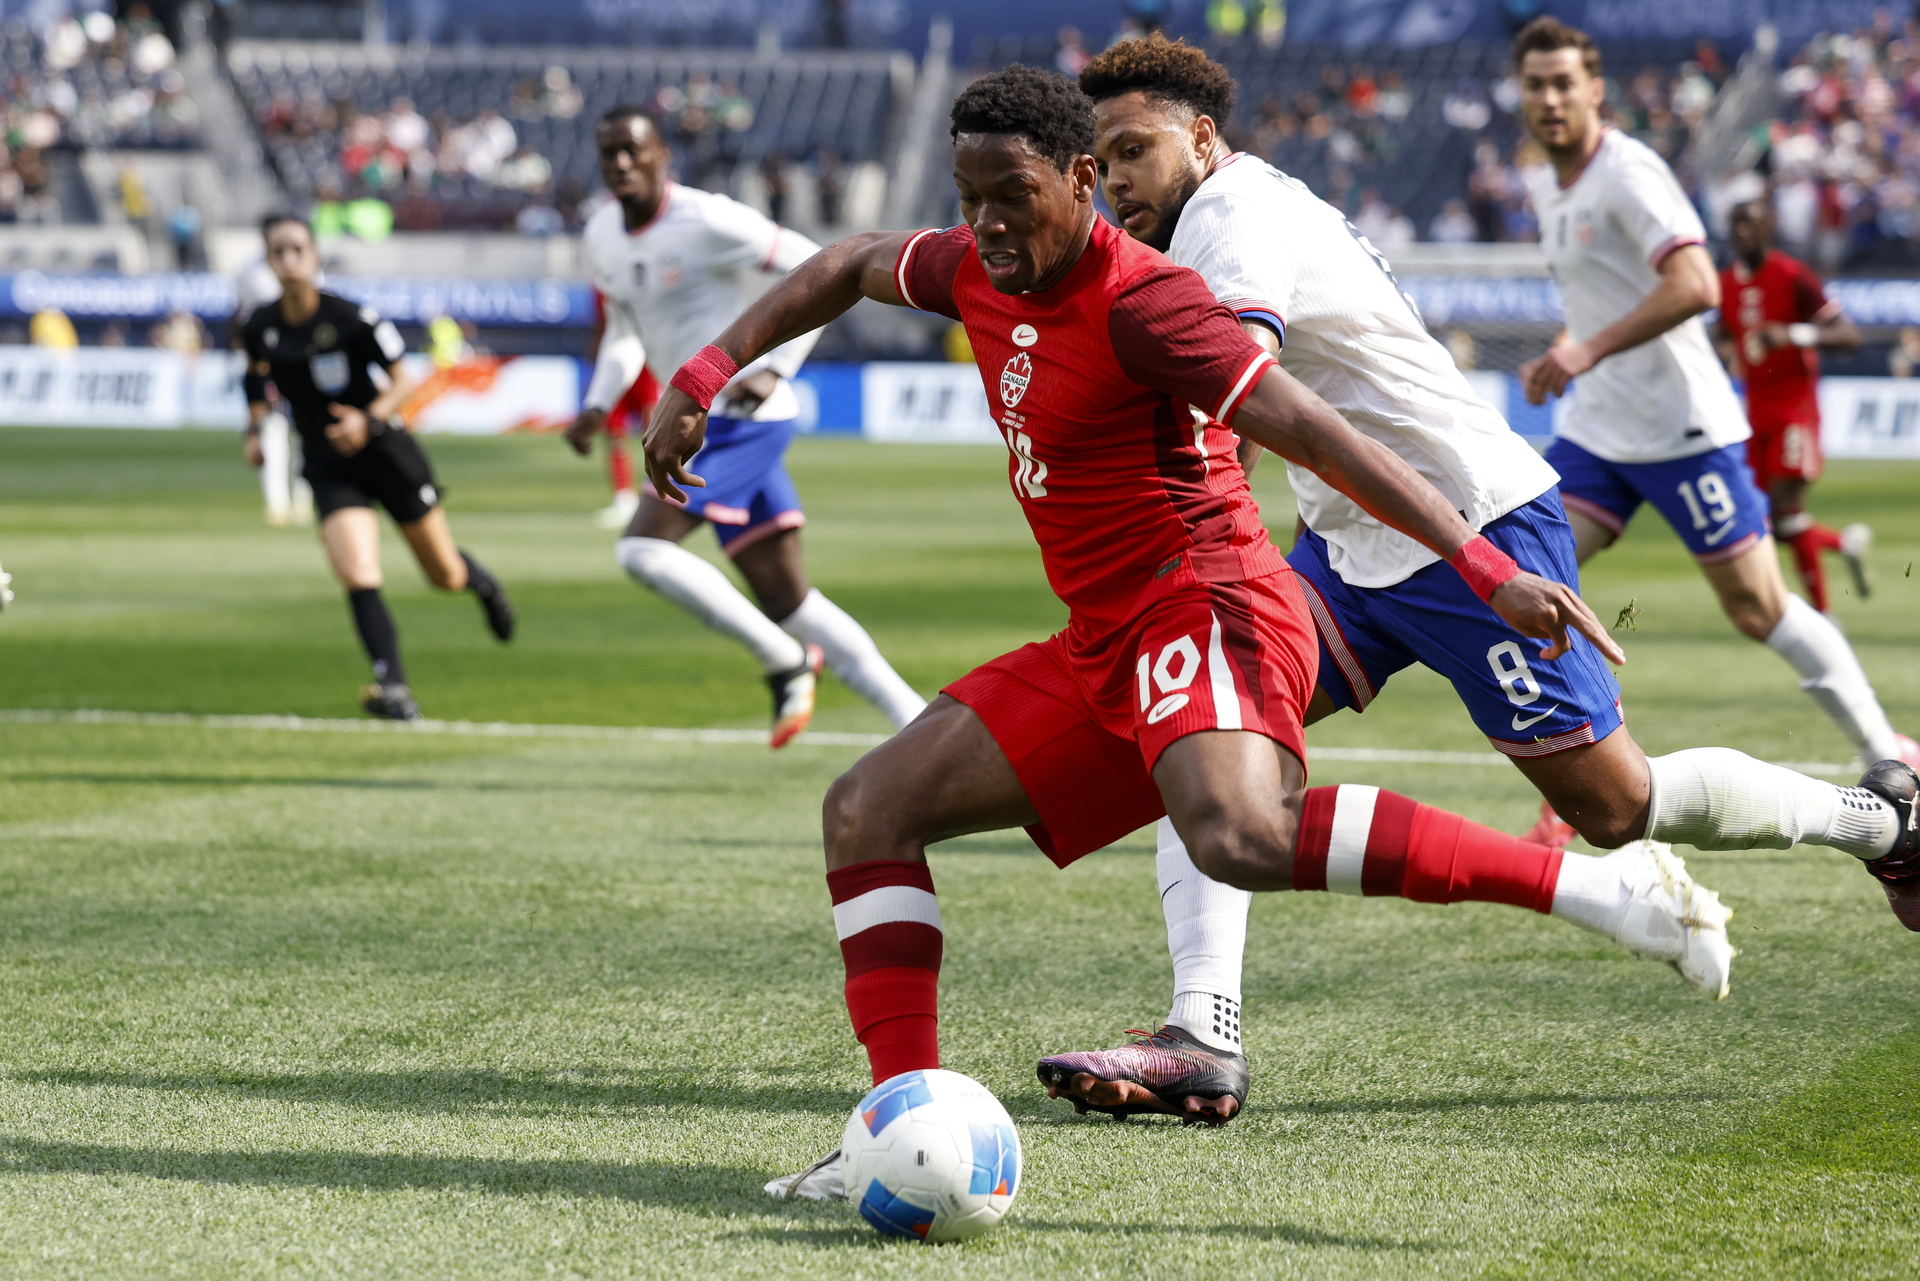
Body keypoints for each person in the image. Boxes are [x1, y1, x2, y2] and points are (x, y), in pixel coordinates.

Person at [645, 65, 1757, 1201]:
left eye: (1013, 196)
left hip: (1210, 602)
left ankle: (1600, 894)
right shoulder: (975, 263)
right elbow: (844, 262)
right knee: (866, 811)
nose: (987, 224)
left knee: (1237, 833)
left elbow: (1317, 432)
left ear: (1081, 180)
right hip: (1103, 637)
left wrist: (1485, 568)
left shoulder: (1146, 302)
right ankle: (899, 1123)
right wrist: (704, 372)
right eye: (969, 197)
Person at [1023, 33, 1920, 1127]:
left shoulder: (1229, 217)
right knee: (1211, 744)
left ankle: (1881, 824)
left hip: (1468, 529)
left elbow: (1237, 398)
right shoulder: (1225, 210)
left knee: (1618, 805)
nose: (1117, 180)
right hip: (1350, 550)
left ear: (1201, 138)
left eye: (1136, 151)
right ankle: (1201, 1033)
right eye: (1105, 158)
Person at [1511, 19, 1920, 825]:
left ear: (1595, 91)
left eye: (1564, 83)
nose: (1551, 99)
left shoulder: (1628, 170)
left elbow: (1697, 283)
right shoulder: (1546, 183)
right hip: (1598, 433)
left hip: (1682, 430)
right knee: (1531, 585)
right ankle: (1578, 788)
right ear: (1520, 95)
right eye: (1536, 85)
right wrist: (1568, 345)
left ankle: (1890, 752)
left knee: (1759, 608)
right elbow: (1601, 297)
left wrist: (1586, 348)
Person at [565, 106, 924, 747]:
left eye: (632, 150)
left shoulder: (707, 219)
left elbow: (819, 265)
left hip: (735, 416)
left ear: (661, 156)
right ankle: (918, 723)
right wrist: (598, 404)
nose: (620, 163)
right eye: (609, 153)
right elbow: (624, 327)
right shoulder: (601, 232)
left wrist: (778, 367)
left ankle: (785, 660)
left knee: (643, 550)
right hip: (696, 421)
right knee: (792, 602)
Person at [241, 214, 515, 721]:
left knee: (444, 574)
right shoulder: (260, 325)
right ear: (268, 261)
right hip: (328, 464)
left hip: (385, 453)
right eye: (278, 252)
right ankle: (394, 687)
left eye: (297, 249)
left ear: (314, 256)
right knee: (358, 571)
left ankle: (483, 584)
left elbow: (403, 380)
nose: (289, 260)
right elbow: (255, 380)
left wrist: (367, 420)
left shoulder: (351, 317)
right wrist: (255, 431)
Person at [1714, 197, 1869, 614]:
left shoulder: (1794, 275)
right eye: (1736, 224)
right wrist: (1723, 351)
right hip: (1754, 413)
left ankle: (1823, 616)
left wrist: (1795, 334)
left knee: (1787, 508)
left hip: (1795, 410)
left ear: (1769, 226)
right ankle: (1842, 544)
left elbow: (1849, 336)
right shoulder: (1725, 283)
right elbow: (1722, 334)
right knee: (1772, 523)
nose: (1743, 232)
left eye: (1751, 223)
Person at [233, 248, 312, 526]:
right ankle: (278, 504)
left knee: (306, 437)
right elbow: (243, 320)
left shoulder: (311, 272)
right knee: (273, 433)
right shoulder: (251, 274)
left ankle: (304, 499)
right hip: (270, 369)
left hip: (302, 367)